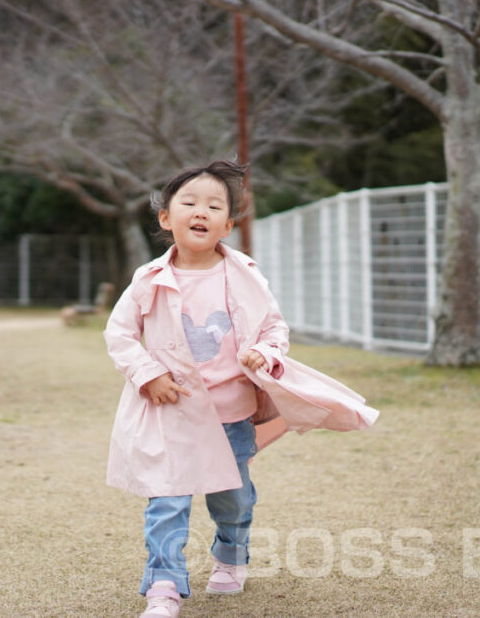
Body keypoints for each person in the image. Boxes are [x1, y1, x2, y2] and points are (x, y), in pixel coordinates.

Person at [104, 161, 378, 618]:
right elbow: (120, 335)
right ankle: (164, 586)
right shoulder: (147, 280)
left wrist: (264, 354)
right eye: (189, 203)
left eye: (214, 206)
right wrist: (147, 373)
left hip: (230, 414)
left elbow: (273, 328)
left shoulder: (245, 275)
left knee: (232, 499)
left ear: (227, 225)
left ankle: (230, 554)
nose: (201, 211)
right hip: (170, 411)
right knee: (167, 501)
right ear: (165, 218)